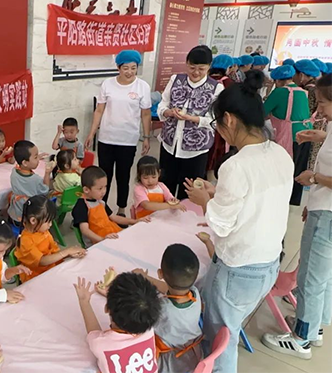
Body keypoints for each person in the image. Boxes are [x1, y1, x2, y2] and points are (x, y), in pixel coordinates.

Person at [184, 70, 294, 373]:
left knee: (221, 339)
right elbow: (257, 200)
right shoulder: (280, 154)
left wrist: (204, 200)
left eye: (218, 124)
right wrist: (217, 192)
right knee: (229, 329)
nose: (219, 132)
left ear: (229, 120)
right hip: (269, 262)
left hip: (238, 268)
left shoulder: (236, 165)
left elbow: (220, 225)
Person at [262, 74, 332, 360]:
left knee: (312, 276)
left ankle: (301, 339)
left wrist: (313, 178)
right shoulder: (331, 125)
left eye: (324, 103)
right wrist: (321, 136)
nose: (320, 110)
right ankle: (314, 326)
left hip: (328, 215)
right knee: (321, 274)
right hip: (322, 207)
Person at [84, 50, 152, 216]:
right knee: (104, 176)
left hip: (128, 140)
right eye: (125, 68)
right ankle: (102, 208)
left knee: (123, 176)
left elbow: (145, 114)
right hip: (106, 138)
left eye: (133, 68)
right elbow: (99, 110)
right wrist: (91, 133)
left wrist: (146, 137)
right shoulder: (107, 84)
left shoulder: (142, 86)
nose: (129, 72)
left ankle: (121, 209)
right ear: (118, 68)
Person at [157, 45, 224, 199]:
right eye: (192, 67)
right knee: (166, 186)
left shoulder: (216, 88)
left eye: (201, 69)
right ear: (186, 63)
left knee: (189, 191)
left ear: (209, 67)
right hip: (170, 144)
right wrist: (168, 112)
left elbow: (215, 121)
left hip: (196, 150)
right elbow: (162, 104)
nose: (196, 72)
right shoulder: (175, 79)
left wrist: (192, 118)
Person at [133, 244, 203, 373]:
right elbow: (170, 288)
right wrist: (146, 278)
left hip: (170, 362)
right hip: (194, 355)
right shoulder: (195, 293)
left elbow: (138, 320)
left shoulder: (162, 308)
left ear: (160, 273)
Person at [73, 273, 161, 373]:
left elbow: (93, 333)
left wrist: (84, 302)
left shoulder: (100, 344)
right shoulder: (149, 330)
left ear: (106, 308)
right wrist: (112, 296)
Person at [264, 64, 312, 206]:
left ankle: (281, 199)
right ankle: (294, 201)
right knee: (299, 169)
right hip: (306, 134)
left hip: (289, 136)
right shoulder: (303, 92)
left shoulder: (279, 92)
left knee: (285, 168)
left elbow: (262, 112)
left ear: (278, 81)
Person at [15, 195, 86, 282]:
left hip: (50, 270)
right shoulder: (26, 240)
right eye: (48, 221)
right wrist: (66, 252)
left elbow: (54, 252)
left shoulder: (43, 231)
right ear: (33, 220)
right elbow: (42, 261)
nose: (51, 224)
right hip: (35, 277)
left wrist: (69, 254)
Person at [72, 166, 149, 246]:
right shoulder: (81, 206)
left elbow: (114, 217)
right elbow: (85, 230)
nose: (104, 191)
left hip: (110, 235)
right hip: (97, 243)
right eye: (100, 188)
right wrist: (102, 240)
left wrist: (135, 221)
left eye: (105, 187)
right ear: (86, 190)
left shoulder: (100, 202)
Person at [7, 140, 51, 224]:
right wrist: (47, 173)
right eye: (35, 157)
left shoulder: (14, 171)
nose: (38, 160)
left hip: (14, 215)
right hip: (28, 219)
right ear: (25, 162)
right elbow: (45, 191)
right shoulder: (35, 179)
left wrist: (36, 157)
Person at [294, 59, 325, 170]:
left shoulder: (308, 91)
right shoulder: (318, 87)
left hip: (311, 127)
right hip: (320, 127)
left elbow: (306, 111)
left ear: (301, 75)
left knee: (305, 159)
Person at [207, 54, 235, 172]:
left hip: (201, 122)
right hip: (219, 123)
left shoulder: (206, 80)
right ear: (227, 68)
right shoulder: (229, 83)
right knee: (216, 152)